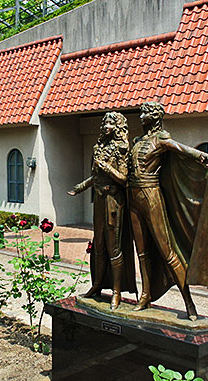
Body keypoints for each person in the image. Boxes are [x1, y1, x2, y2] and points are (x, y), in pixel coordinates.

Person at [127, 102, 208, 321]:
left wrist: (202, 157)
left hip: (151, 196)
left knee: (167, 251)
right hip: (133, 197)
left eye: (146, 113)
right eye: (142, 112)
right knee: (142, 252)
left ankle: (189, 303)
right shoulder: (137, 142)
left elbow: (180, 148)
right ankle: (145, 296)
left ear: (156, 117)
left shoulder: (161, 139)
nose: (141, 116)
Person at [68, 112, 137, 309]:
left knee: (114, 247)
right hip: (99, 200)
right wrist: (81, 187)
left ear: (118, 127)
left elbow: (123, 178)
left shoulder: (122, 148)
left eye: (111, 123)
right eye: (105, 122)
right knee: (98, 245)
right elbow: (95, 176)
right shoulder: (98, 148)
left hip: (113, 200)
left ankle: (116, 291)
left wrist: (106, 167)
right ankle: (97, 284)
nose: (106, 126)